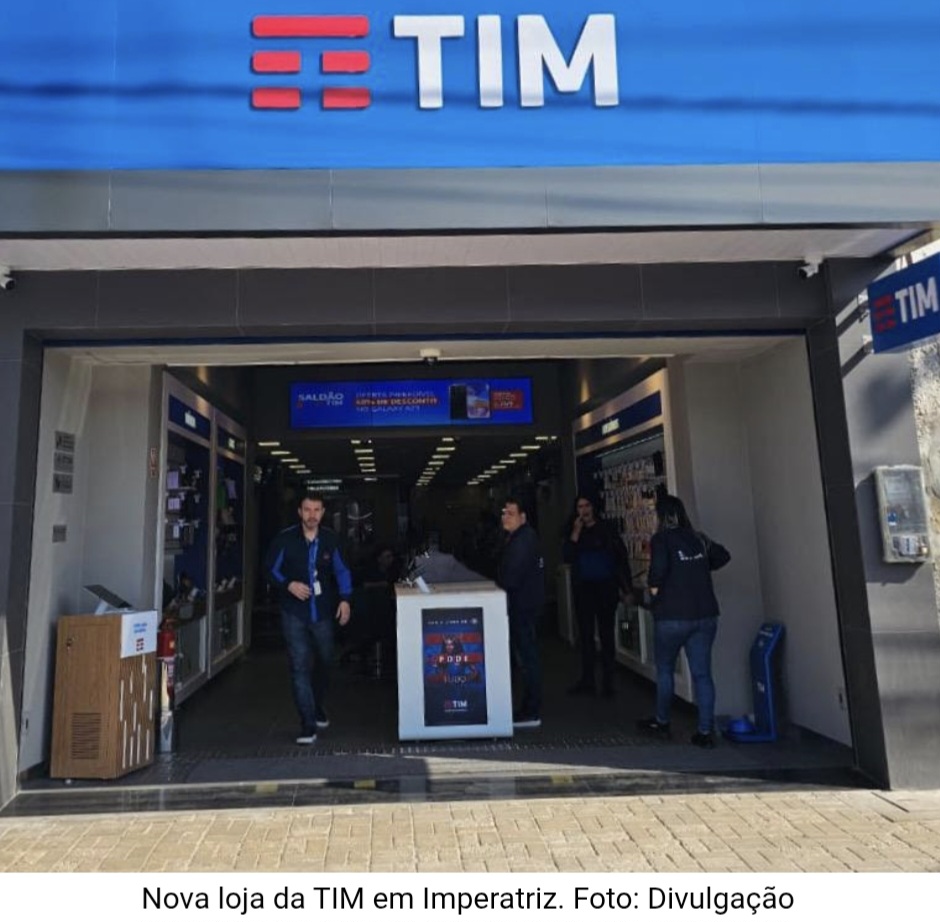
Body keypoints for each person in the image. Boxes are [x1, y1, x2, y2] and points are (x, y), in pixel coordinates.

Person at [637, 494, 731, 749]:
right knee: (703, 674)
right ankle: (705, 731)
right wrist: (697, 569)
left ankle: (662, 722)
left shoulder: (661, 539)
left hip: (672, 616)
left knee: (665, 669)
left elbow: (656, 574)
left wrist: (654, 593)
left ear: (661, 516)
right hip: (705, 614)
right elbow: (723, 556)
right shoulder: (698, 538)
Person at [264, 491, 352, 745]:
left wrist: (345, 599)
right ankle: (307, 724)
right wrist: (288, 584)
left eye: (316, 510)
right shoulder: (285, 539)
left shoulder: (331, 540)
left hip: (322, 611)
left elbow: (342, 570)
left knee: (326, 661)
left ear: (322, 513)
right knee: (299, 666)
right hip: (294, 612)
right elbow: (269, 569)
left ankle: (317, 705)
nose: (312, 515)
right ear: (300, 512)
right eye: (307, 510)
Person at [562, 494, 633, 697]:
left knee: (606, 634)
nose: (584, 510)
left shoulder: (606, 529)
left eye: (587, 505)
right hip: (584, 589)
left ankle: (608, 682)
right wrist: (575, 533)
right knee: (586, 635)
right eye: (580, 507)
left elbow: (620, 560)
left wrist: (626, 589)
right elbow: (567, 556)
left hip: (605, 588)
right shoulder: (574, 531)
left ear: (593, 507)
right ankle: (588, 679)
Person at [496, 497, 545, 729]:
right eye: (504, 512)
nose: (505, 517)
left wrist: (500, 586)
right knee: (526, 657)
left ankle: (531, 710)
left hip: (523, 607)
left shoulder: (523, 540)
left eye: (511, 513)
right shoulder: (519, 538)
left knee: (527, 659)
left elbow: (511, 576)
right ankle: (528, 706)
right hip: (523, 606)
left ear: (523, 517)